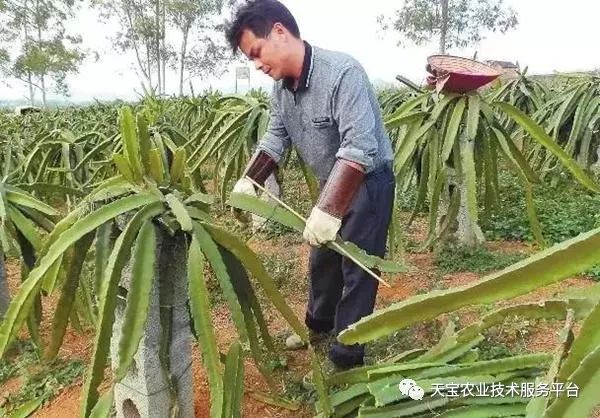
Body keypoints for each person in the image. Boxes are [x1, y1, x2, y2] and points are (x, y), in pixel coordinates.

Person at [225, 0, 395, 370]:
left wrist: (330, 208)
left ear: (280, 32)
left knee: (356, 270)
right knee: (322, 261)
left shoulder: (342, 73)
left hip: (367, 181)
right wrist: (249, 180)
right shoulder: (281, 91)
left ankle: (348, 356)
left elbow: (359, 147)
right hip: (331, 180)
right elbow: (274, 138)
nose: (256, 65)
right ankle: (318, 328)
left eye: (256, 52)